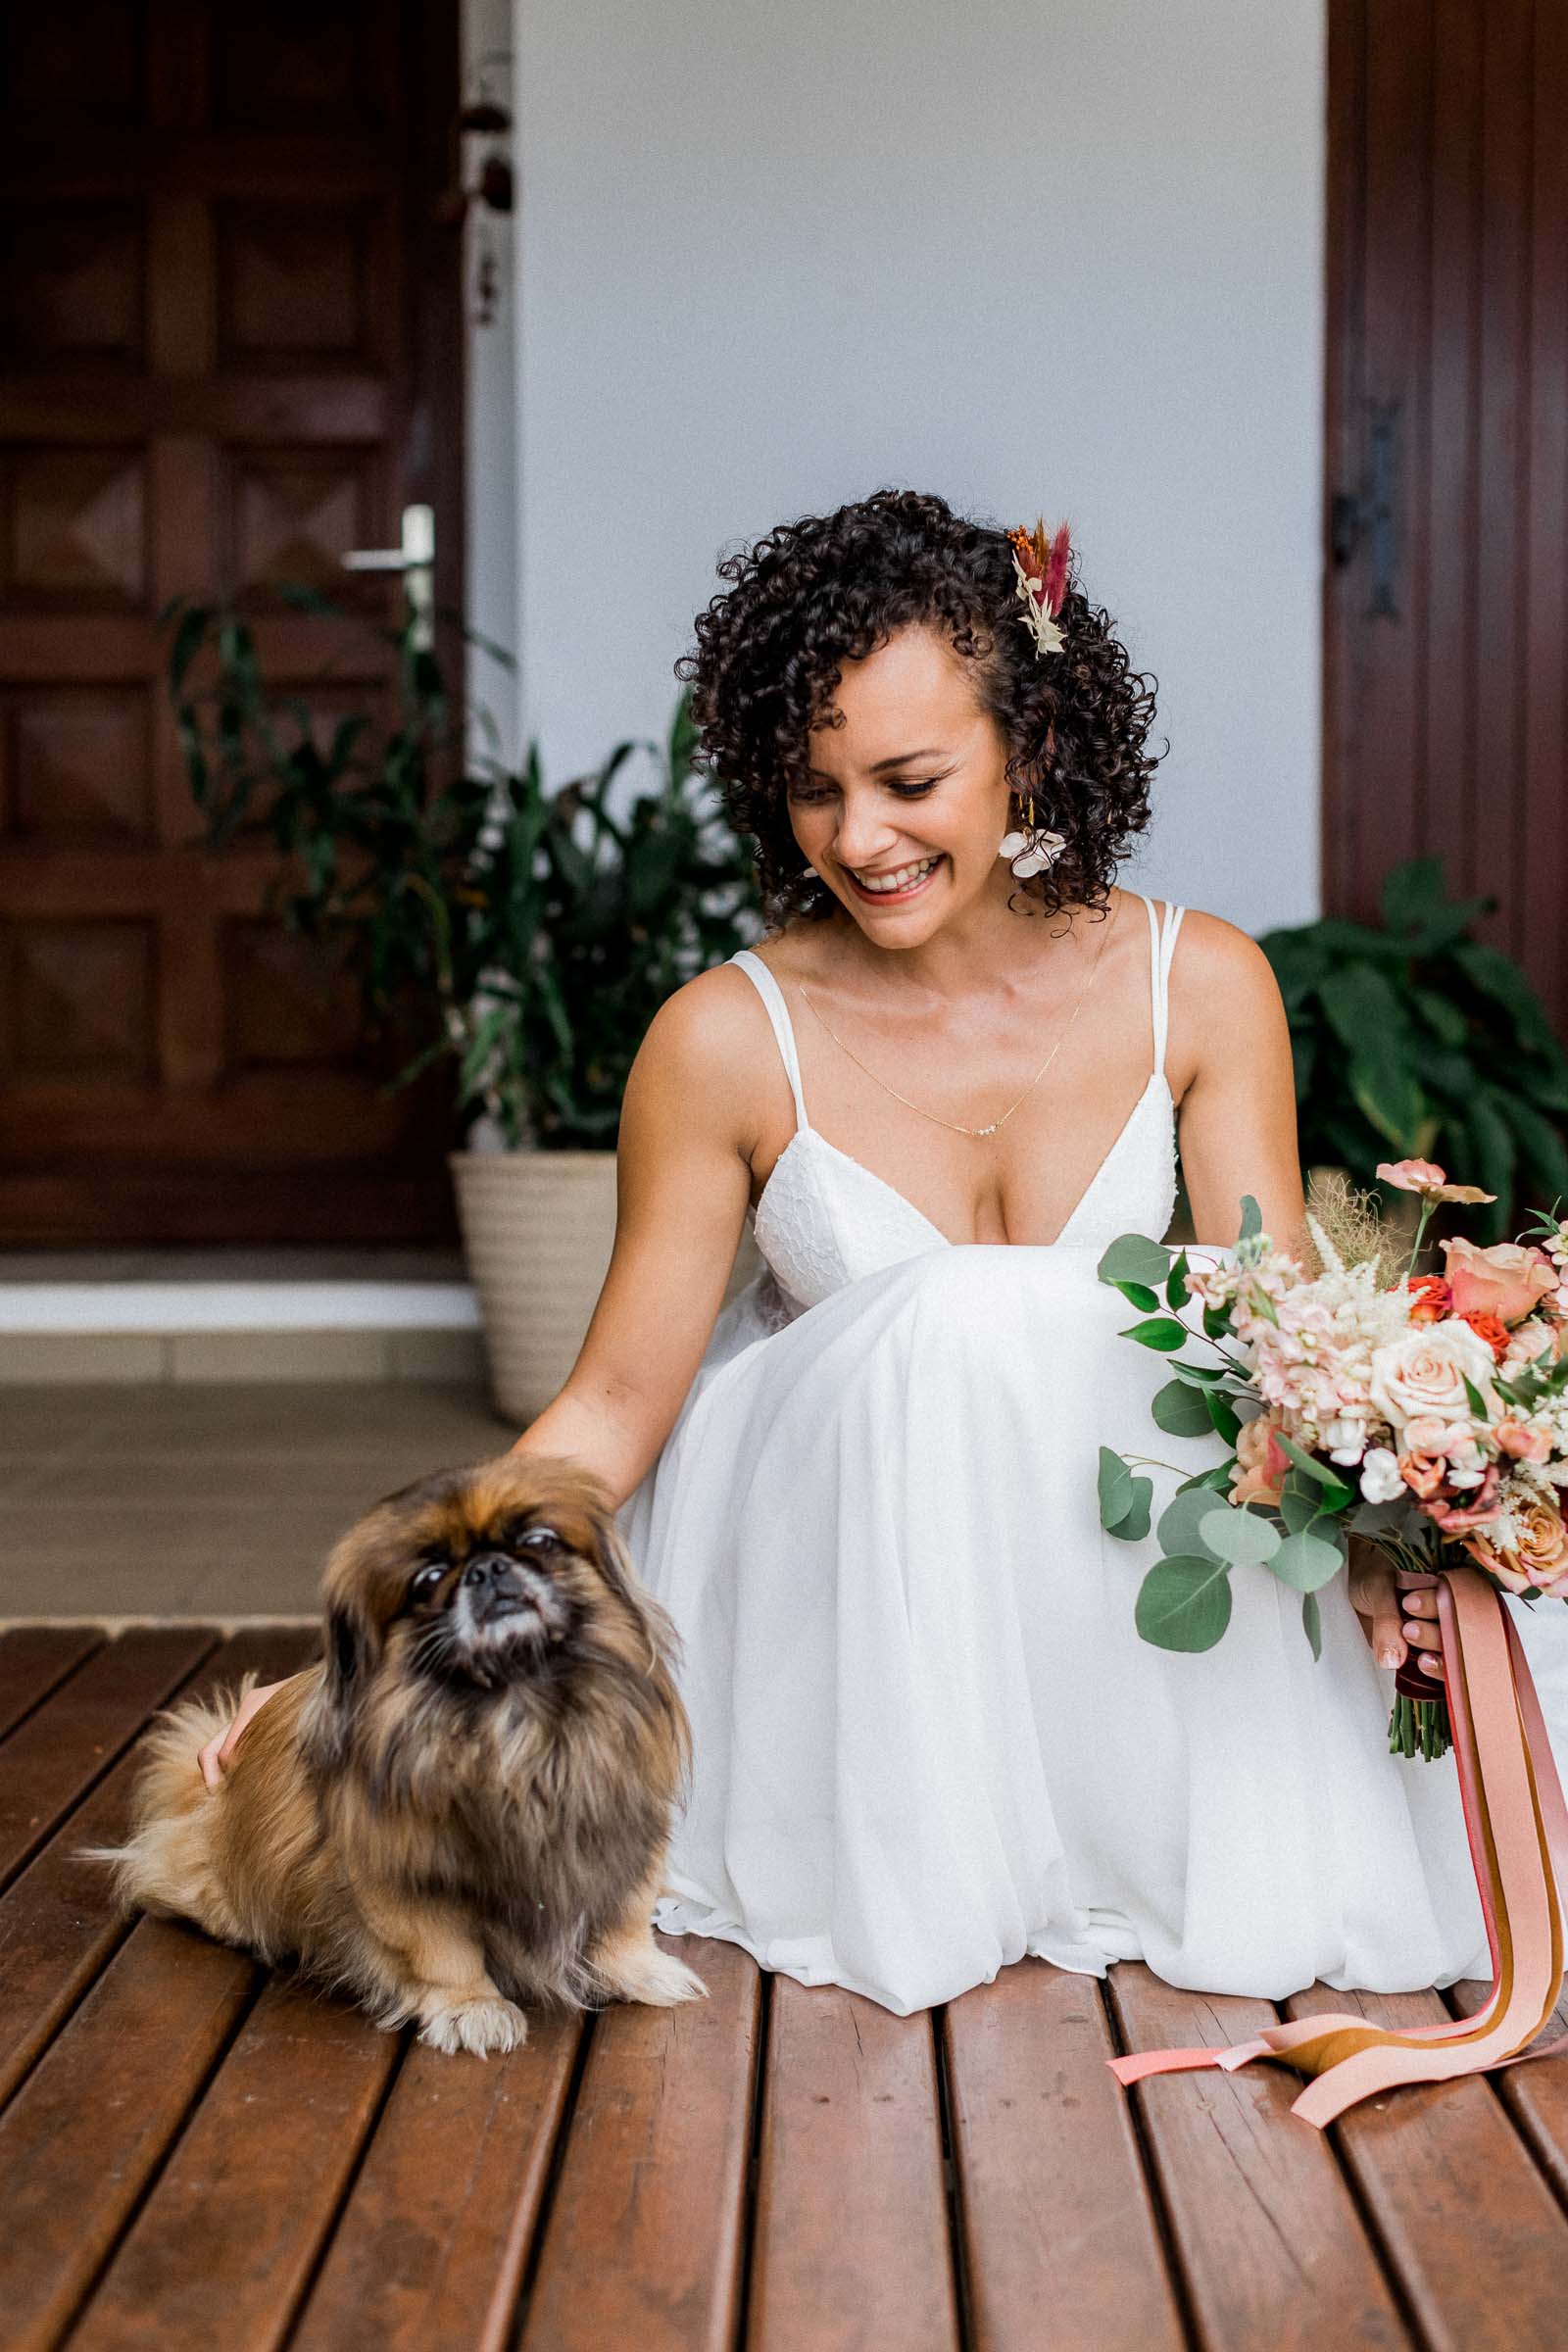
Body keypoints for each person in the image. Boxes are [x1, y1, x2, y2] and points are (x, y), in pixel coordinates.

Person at [199, 488, 1485, 2013]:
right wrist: (374, 1650)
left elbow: (1284, 1336)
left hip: (1130, 1598)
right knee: (945, 1321)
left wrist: (1389, 1543)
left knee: (1148, 1339)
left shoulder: (1200, 985)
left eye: (909, 780)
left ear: (1035, 743)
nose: (857, 840)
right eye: (812, 792)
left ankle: (1131, 1807)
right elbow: (614, 1406)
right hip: (852, 1603)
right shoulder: (724, 1039)